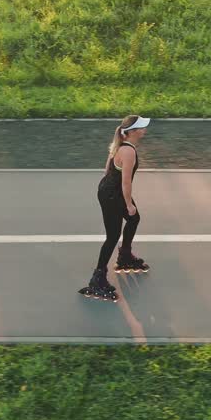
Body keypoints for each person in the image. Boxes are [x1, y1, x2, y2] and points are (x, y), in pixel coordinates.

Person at [79, 115, 152, 302]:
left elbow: (107, 170)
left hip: (109, 189)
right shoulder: (128, 152)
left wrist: (122, 200)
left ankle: (125, 256)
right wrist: (128, 205)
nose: (145, 130)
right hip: (113, 193)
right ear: (133, 132)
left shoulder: (119, 145)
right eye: (142, 127)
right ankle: (98, 278)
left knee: (134, 219)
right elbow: (126, 182)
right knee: (113, 236)